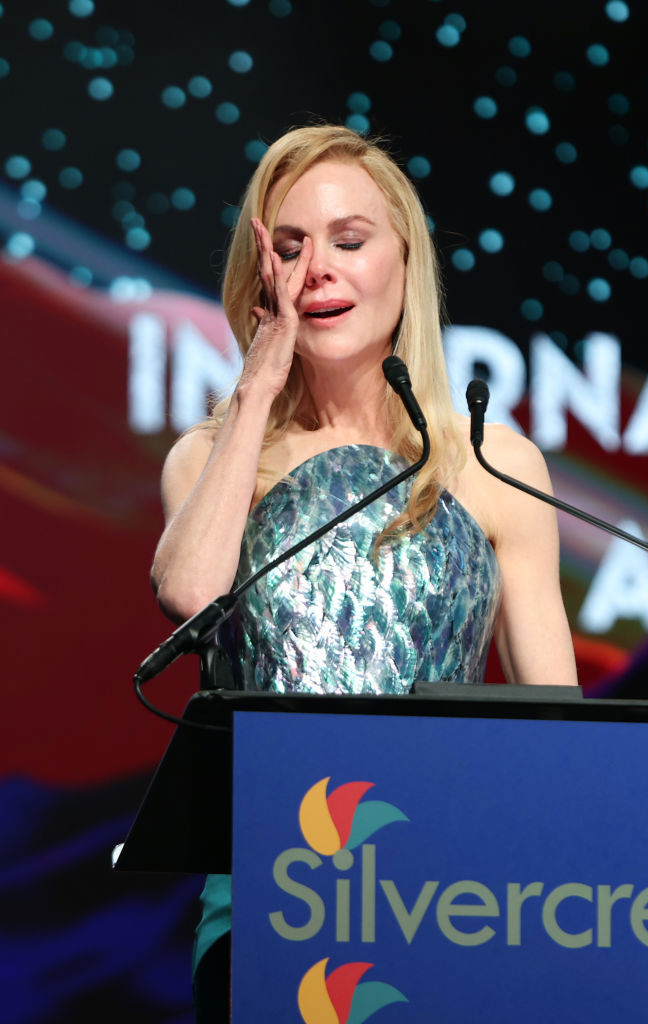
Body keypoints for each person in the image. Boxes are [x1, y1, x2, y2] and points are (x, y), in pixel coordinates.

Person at [150, 124, 578, 1021]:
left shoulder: (494, 465)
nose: (319, 270)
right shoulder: (212, 459)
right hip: (274, 899)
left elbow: (563, 739)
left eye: (349, 241)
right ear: (260, 273)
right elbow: (188, 594)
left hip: (453, 905)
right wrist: (259, 386)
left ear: (404, 262)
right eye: (291, 248)